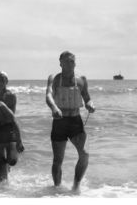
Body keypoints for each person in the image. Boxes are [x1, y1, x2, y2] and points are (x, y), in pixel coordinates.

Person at [46, 51, 95, 194]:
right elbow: (48, 95)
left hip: (75, 121)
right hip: (59, 122)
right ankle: (57, 189)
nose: (70, 64)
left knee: (84, 154)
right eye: (67, 61)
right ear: (60, 63)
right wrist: (54, 108)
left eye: (72, 61)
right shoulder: (54, 79)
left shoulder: (81, 80)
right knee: (57, 160)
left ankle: (76, 186)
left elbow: (87, 98)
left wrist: (90, 105)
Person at [0, 71, 25, 183]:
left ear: (6, 81)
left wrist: (19, 140)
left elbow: (11, 118)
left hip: (8, 129)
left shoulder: (10, 95)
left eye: (2, 80)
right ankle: (4, 187)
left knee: (12, 160)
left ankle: (8, 167)